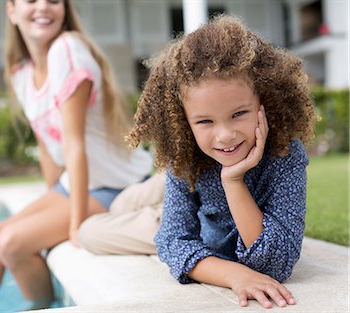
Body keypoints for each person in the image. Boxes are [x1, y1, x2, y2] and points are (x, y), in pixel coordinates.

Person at [0, 0, 152, 311]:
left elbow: (74, 146)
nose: (44, 7)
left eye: (54, 1)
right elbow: (47, 149)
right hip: (75, 184)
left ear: (65, 10)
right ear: (11, 10)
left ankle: (43, 306)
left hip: (116, 185)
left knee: (11, 242)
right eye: (31, 0)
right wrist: (51, 202)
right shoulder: (22, 73)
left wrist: (74, 222)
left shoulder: (67, 50)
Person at [125, 15, 316, 309]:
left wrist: (233, 180)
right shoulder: (185, 158)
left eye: (239, 113)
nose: (225, 136)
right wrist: (233, 274)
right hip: (157, 216)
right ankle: (134, 197)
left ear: (264, 104)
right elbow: (173, 240)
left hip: (190, 210)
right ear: (185, 123)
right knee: (94, 231)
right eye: (204, 121)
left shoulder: (285, 156)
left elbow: (276, 265)